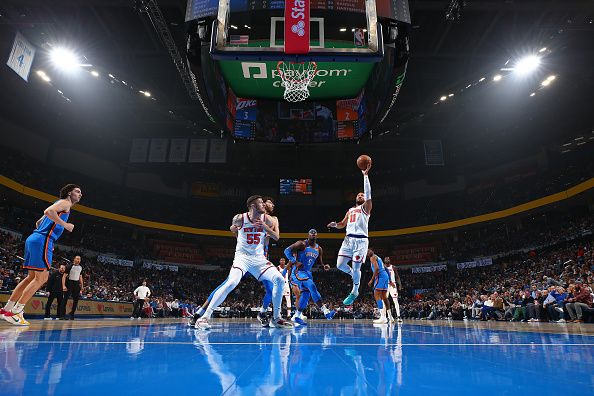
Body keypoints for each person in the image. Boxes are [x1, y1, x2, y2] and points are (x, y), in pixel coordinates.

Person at [195, 195, 292, 329]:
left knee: (280, 280)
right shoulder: (240, 218)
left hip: (260, 259)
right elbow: (232, 229)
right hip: (242, 258)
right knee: (231, 282)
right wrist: (238, 236)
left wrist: (265, 227)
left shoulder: (268, 220)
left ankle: (276, 318)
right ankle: (204, 317)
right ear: (253, 206)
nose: (264, 205)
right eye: (261, 203)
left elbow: (276, 237)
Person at [1, 184, 81, 326]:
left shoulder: (59, 204)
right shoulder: (65, 203)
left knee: (31, 277)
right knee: (42, 278)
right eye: (77, 191)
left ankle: (6, 309)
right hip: (43, 240)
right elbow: (48, 211)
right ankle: (16, 312)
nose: (80, 194)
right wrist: (65, 225)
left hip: (34, 238)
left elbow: (39, 221)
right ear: (69, 193)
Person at [327, 162, 372, 305]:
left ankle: (355, 290)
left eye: (362, 195)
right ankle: (354, 275)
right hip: (348, 240)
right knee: (340, 265)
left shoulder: (366, 208)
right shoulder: (350, 210)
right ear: (355, 198)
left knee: (357, 265)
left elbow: (369, 193)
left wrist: (365, 176)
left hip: (361, 240)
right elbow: (342, 224)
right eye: (358, 194)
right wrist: (335, 225)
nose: (360, 195)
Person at [284, 229, 335, 325]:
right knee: (311, 286)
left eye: (315, 235)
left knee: (306, 294)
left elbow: (320, 262)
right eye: (311, 235)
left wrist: (324, 266)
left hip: (307, 273)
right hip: (298, 272)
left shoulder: (319, 249)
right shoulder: (302, 244)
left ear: (317, 236)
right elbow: (286, 251)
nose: (313, 236)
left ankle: (297, 316)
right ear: (308, 235)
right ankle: (326, 312)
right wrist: (295, 262)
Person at [366, 249, 392, 324]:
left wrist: (371, 280)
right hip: (385, 276)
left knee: (376, 295)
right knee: (384, 297)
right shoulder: (378, 257)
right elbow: (386, 269)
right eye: (367, 251)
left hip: (380, 276)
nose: (369, 251)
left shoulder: (373, 257)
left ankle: (383, 317)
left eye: (369, 250)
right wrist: (389, 280)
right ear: (367, 254)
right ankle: (390, 317)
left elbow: (377, 268)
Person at [61, 255, 84, 320]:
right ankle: (62, 315)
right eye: (77, 259)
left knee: (76, 300)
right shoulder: (69, 266)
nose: (78, 260)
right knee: (65, 299)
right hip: (69, 283)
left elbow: (80, 277)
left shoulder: (80, 267)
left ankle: (72, 314)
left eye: (79, 259)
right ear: (74, 259)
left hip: (76, 284)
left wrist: (82, 286)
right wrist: (63, 285)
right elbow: (64, 276)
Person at [384, 257, 403, 323]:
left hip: (393, 285)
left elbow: (397, 277)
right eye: (386, 259)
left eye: (388, 259)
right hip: (386, 285)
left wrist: (400, 285)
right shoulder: (382, 267)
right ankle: (387, 317)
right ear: (384, 261)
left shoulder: (393, 267)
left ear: (390, 260)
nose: (387, 260)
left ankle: (398, 316)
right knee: (385, 301)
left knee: (395, 300)